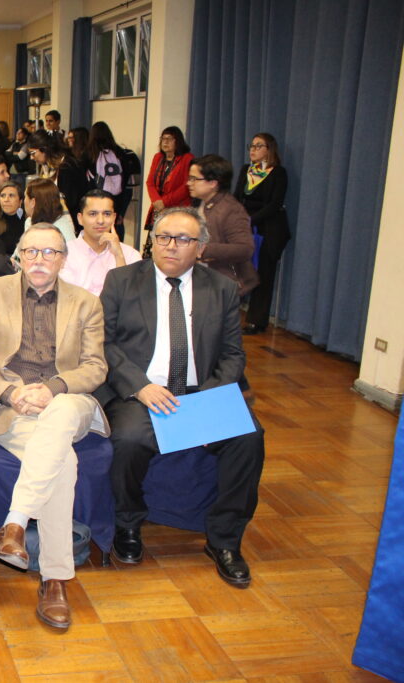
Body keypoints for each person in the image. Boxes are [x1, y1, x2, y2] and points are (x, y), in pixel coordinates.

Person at [96, 207, 265, 587]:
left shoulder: (221, 288)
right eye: (163, 237)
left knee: (248, 437)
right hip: (142, 390)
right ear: (152, 241)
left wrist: (204, 402)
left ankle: (224, 540)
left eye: (183, 239)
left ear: (201, 247)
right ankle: (127, 524)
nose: (171, 246)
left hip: (200, 390)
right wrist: (139, 386)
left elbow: (233, 355)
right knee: (129, 440)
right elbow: (104, 343)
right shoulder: (122, 281)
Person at [0, 222, 107, 630]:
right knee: (62, 462)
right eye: (31, 252)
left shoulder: (86, 303)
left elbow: (95, 367)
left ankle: (16, 521)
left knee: (60, 412)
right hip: (13, 407)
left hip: (69, 400)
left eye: (49, 252)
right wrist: (10, 394)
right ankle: (55, 579)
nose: (39, 260)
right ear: (18, 257)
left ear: (63, 259)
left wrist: (53, 389)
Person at [234, 133, 290, 335]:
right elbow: (237, 197)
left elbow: (274, 204)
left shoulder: (278, 173)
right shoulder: (246, 170)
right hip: (245, 227)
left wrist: (250, 220)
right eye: (252, 145)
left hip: (268, 229)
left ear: (269, 149)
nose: (253, 149)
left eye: (259, 146)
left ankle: (256, 321)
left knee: (263, 275)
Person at [187, 155, 258, 296]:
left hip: (222, 284)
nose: (189, 183)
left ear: (213, 183)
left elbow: (245, 249)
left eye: (194, 179)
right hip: (203, 279)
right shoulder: (202, 203)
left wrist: (204, 249)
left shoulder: (231, 209)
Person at [62, 190, 141, 296]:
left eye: (107, 214)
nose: (100, 221)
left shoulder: (130, 255)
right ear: (80, 219)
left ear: (114, 218)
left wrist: (119, 256)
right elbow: (66, 297)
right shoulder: (64, 254)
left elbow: (132, 297)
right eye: (93, 214)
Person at [27, 130, 88, 226]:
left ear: (44, 149)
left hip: (72, 220)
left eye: (33, 153)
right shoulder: (47, 166)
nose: (31, 157)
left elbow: (71, 201)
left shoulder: (67, 167)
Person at [144, 126, 193, 232]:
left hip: (178, 208)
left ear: (178, 141)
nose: (165, 142)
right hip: (158, 207)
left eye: (169, 139)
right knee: (157, 238)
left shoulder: (187, 158)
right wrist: (156, 200)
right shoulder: (158, 157)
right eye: (163, 138)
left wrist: (164, 202)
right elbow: (150, 183)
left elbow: (186, 186)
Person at [22, 178, 77, 245]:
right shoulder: (29, 222)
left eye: (25, 196)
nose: (23, 201)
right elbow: (20, 250)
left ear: (32, 202)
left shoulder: (62, 229)